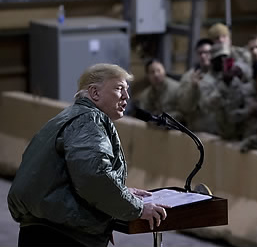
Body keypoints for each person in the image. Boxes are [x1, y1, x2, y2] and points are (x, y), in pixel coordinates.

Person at [8, 63, 168, 247]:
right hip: (61, 235)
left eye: (127, 89)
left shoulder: (70, 117)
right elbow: (94, 177)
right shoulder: (88, 121)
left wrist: (119, 196)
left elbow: (72, 176)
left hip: (45, 228)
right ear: (95, 93)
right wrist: (138, 209)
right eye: (119, 88)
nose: (126, 96)